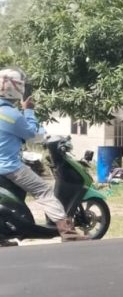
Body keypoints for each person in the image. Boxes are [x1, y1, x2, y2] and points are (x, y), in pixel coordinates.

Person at [0, 68, 86, 245]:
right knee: (43, 190)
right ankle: (67, 231)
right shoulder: (12, 115)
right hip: (10, 167)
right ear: (17, 88)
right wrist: (29, 111)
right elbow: (35, 136)